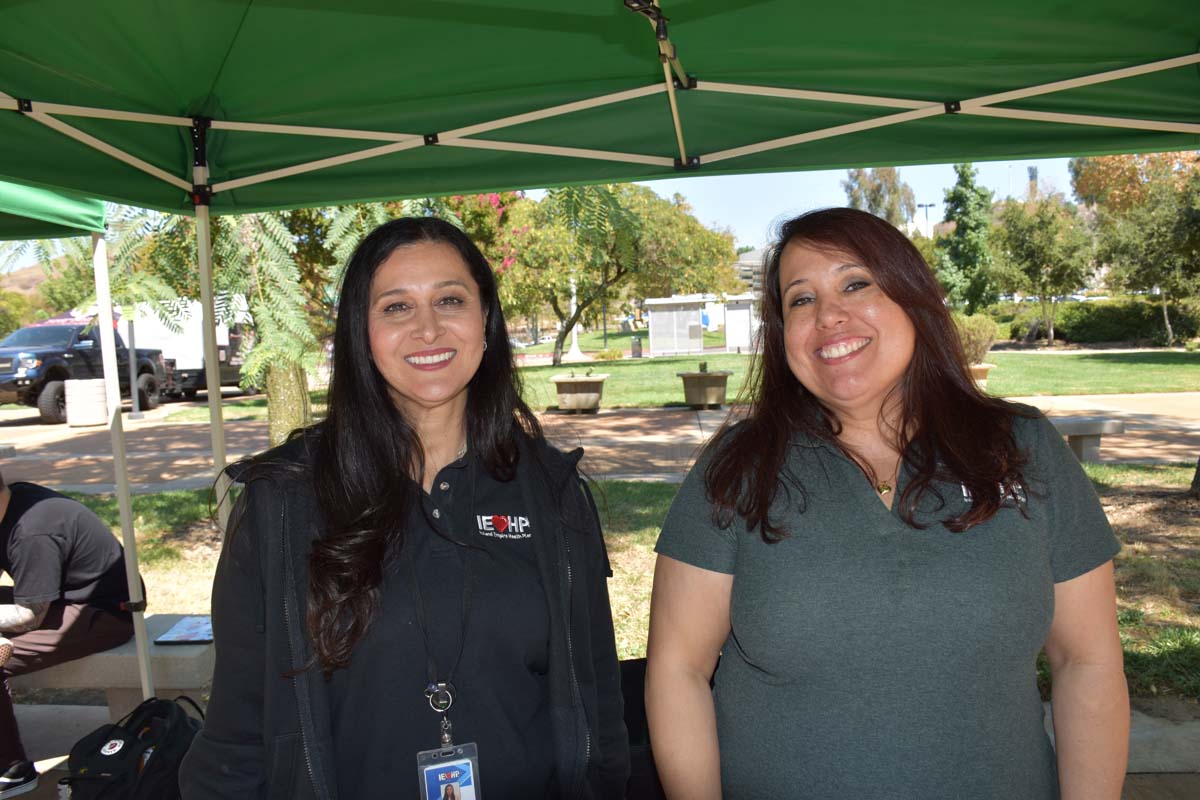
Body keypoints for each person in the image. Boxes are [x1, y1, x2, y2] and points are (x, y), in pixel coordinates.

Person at [645, 207, 1128, 800]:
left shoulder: (1022, 448)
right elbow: (678, 671)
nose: (829, 316)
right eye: (800, 300)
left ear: (912, 297)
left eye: (856, 283)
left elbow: (1088, 662)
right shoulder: (737, 468)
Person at [180, 217, 628, 799]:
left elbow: (599, 703)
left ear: (486, 322)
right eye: (395, 308)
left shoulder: (551, 492)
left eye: (450, 300)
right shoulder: (285, 500)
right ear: (359, 333)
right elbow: (237, 731)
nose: (428, 328)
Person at [0, 469, 135, 799]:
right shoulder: (11, 501)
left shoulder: (32, 531)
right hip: (56, 600)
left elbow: (31, 615)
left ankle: (11, 769)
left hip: (102, 613)